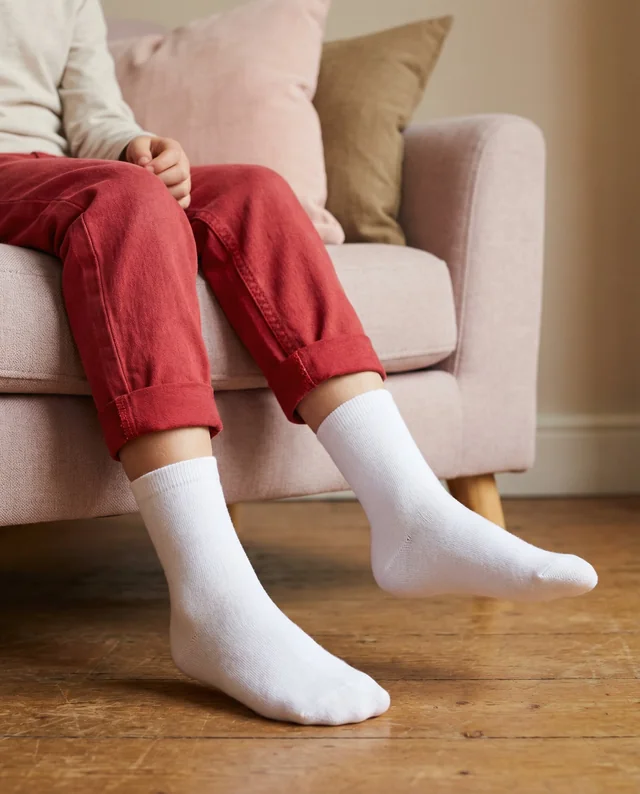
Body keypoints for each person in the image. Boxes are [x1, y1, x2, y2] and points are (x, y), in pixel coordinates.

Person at [0, 0, 597, 726]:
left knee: (253, 191)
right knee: (121, 201)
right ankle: (212, 601)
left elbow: (92, 112)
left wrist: (138, 147)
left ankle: (409, 510)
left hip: (64, 174)